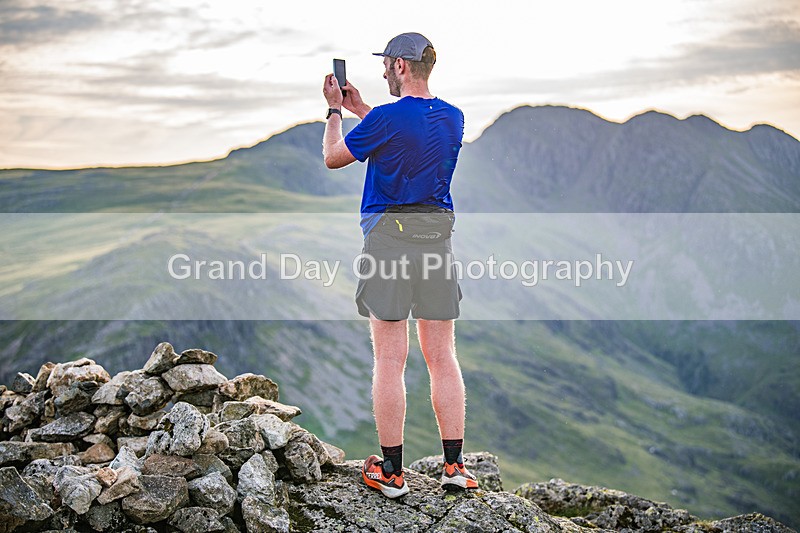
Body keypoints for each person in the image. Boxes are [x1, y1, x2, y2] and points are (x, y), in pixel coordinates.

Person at [322, 32, 478, 499]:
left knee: (390, 360)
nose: (383, 71)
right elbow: (407, 137)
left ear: (402, 67)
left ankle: (391, 472)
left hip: (389, 243)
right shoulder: (453, 117)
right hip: (436, 242)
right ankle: (455, 467)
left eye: (387, 64)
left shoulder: (389, 118)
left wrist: (334, 111)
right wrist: (363, 110)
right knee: (441, 356)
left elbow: (334, 157)